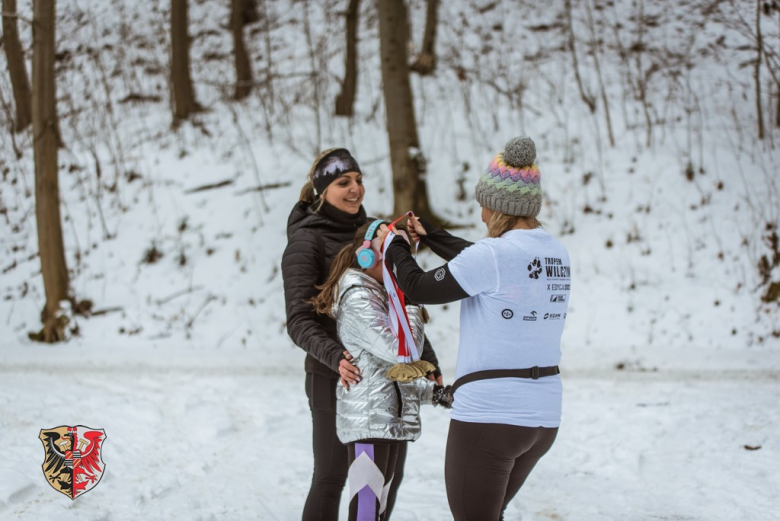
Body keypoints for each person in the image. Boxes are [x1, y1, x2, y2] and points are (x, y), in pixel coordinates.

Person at [383, 136, 572, 520]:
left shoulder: (494, 255)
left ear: (498, 206)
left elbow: (417, 286)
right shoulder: (553, 251)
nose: (481, 214)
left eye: (484, 204)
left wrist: (394, 246)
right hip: (543, 416)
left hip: (492, 414)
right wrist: (432, 235)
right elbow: (481, 264)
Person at [281, 148, 442, 520]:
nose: (355, 189)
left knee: (387, 478)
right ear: (322, 191)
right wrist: (336, 358)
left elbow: (398, 303)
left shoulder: (370, 235)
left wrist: (427, 360)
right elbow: (299, 319)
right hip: (337, 377)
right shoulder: (307, 242)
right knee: (332, 476)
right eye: (343, 183)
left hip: (388, 381)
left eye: (358, 180)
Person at [309, 220, 452, 521]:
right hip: (371, 420)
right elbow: (401, 352)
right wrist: (411, 301)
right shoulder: (358, 297)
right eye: (394, 253)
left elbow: (393, 373)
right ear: (367, 256)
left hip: (390, 422)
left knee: (378, 511)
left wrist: (434, 392)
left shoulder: (383, 297)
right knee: (365, 512)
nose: (401, 264)